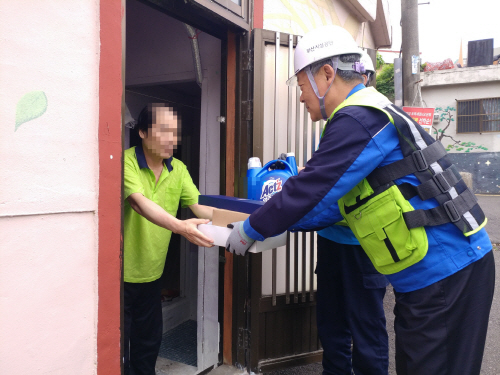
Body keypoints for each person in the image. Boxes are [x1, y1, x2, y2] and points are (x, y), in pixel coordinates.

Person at [227, 25, 495, 375]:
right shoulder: (364, 114)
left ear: (326, 74)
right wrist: (268, 223)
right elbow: (326, 204)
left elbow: (309, 188)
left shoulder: (359, 117)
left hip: (447, 272)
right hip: (438, 273)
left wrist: (250, 230)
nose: (301, 96)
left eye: (302, 86)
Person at [123, 103, 214, 375]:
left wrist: (248, 222)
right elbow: (139, 204)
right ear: (142, 131)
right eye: (164, 131)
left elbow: (201, 208)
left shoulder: (179, 169)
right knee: (119, 348)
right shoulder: (126, 161)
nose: (172, 140)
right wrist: (181, 227)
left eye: (175, 133)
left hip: (152, 274)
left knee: (148, 345)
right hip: (120, 276)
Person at [314, 48, 389, 375]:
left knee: (367, 330)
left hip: (365, 245)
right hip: (331, 241)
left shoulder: (369, 117)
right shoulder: (335, 122)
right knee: (331, 329)